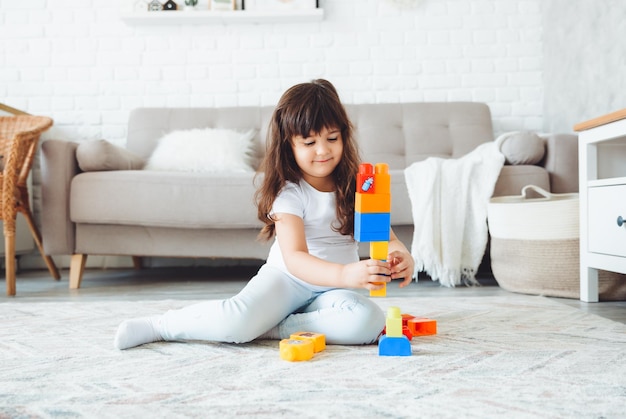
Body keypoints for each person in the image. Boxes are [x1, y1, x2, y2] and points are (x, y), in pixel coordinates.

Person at [113, 79, 414, 350]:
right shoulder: (290, 191)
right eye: (309, 142)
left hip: (334, 289)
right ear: (289, 145)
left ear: (344, 137)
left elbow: (385, 237)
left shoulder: (358, 184)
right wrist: (346, 273)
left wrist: (400, 255)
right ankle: (162, 325)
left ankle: (276, 328)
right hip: (287, 279)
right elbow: (295, 258)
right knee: (235, 321)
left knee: (366, 321)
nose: (323, 150)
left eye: (332, 139)